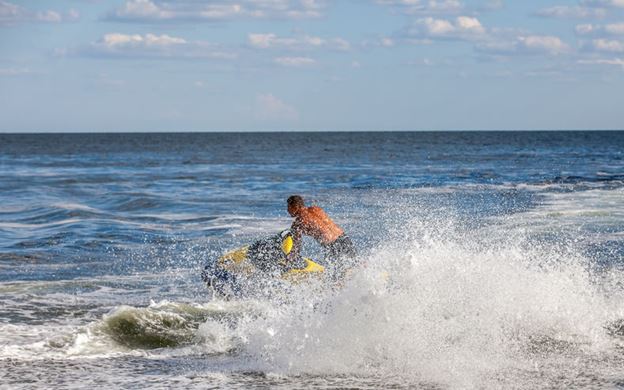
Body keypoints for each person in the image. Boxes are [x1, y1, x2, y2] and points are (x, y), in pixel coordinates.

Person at [286, 195, 356, 278]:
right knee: (354, 267)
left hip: (333, 247)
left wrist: (289, 260)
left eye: (289, 207)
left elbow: (296, 246)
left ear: (295, 206)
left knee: (337, 277)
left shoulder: (298, 223)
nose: (287, 210)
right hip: (344, 239)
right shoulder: (316, 209)